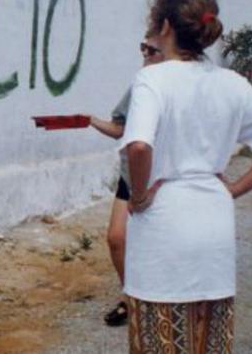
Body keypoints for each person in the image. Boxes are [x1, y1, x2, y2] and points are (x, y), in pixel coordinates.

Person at [119, 0, 252, 354]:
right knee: (208, 342)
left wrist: (137, 197)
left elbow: (138, 146)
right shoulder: (231, 83)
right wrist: (233, 188)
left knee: (159, 340)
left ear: (165, 26)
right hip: (213, 231)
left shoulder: (152, 79)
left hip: (164, 232)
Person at [86, 31, 166, 327]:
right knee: (117, 239)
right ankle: (132, 297)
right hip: (131, 175)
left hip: (163, 179)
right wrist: (91, 120)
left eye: (152, 50)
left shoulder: (179, 86)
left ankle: (156, 299)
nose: (145, 54)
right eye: (143, 48)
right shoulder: (139, 86)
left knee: (158, 243)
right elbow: (120, 128)